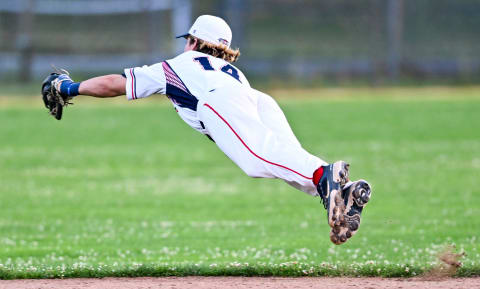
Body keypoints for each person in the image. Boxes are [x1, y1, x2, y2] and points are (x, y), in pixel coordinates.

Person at [46, 15, 371, 245]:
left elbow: (116, 84)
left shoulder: (177, 66)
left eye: (188, 40)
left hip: (218, 102)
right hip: (256, 98)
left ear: (194, 41)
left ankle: (325, 176)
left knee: (257, 160)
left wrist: (71, 87)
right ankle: (339, 193)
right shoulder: (230, 68)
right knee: (283, 158)